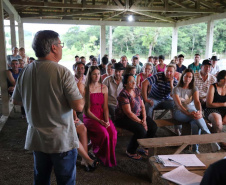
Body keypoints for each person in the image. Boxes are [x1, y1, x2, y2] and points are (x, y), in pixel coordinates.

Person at [12, 30, 84, 185]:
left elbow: (16, 101)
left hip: (38, 139)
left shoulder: (26, 71)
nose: (62, 48)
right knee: (65, 181)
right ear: (54, 48)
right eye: (61, 44)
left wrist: (38, 101)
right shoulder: (62, 72)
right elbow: (78, 105)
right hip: (61, 140)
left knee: (41, 180)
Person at [172, 69, 220, 153]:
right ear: (182, 76)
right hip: (179, 113)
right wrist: (189, 113)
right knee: (193, 112)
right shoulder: (176, 89)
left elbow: (197, 102)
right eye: (186, 76)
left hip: (192, 113)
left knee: (195, 123)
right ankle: (210, 137)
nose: (187, 78)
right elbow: (179, 106)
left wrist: (200, 112)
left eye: (190, 77)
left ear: (192, 79)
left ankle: (195, 149)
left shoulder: (194, 88)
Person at [115, 74, 157, 160]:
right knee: (141, 130)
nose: (134, 82)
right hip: (123, 118)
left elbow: (142, 106)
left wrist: (144, 119)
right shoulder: (123, 94)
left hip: (137, 114)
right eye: (131, 81)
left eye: (134, 80)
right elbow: (129, 113)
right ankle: (130, 151)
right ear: (125, 84)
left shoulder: (137, 90)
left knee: (153, 126)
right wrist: (141, 122)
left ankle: (145, 147)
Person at [83, 66, 117, 167]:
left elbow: (105, 107)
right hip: (91, 116)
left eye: (98, 74)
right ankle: (99, 154)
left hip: (102, 114)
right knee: (104, 134)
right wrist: (99, 121)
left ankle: (109, 157)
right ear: (90, 75)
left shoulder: (104, 88)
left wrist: (106, 121)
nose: (97, 76)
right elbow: (87, 110)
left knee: (113, 133)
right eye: (94, 74)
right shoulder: (86, 89)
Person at [205, 70, 226, 148]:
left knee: (219, 124)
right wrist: (223, 104)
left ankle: (208, 131)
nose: (225, 81)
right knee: (218, 123)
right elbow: (209, 104)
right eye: (224, 79)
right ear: (219, 79)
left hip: (224, 110)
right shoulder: (213, 86)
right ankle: (219, 140)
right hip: (212, 109)